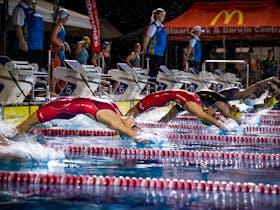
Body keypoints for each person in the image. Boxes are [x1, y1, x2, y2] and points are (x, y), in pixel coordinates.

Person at [12, 97, 145, 143]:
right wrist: (141, 132)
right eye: (136, 125)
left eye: (134, 125)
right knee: (23, 128)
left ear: (124, 127)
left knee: (22, 128)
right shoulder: (118, 114)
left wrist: (142, 139)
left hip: (60, 107)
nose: (135, 122)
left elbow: (133, 135)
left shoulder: (114, 122)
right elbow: (133, 132)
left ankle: (7, 140)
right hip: (66, 107)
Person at [125, 89, 227, 129]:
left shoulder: (197, 110)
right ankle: (130, 127)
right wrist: (221, 121)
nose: (214, 112)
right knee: (133, 114)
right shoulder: (200, 105)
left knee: (131, 113)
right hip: (163, 98)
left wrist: (220, 124)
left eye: (213, 115)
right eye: (215, 114)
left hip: (159, 98)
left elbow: (203, 116)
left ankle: (125, 128)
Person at [12, 0, 44, 67]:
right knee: (25, 70)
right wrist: (23, 43)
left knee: (34, 70)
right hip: (26, 47)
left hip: (36, 47)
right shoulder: (20, 9)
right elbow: (17, 27)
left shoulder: (31, 10)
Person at [143, 8, 167, 91]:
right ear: (157, 16)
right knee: (153, 71)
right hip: (154, 52)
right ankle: (150, 89)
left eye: (164, 15)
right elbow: (147, 38)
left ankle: (152, 87)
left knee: (156, 71)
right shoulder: (154, 26)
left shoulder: (162, 26)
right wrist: (145, 50)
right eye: (162, 15)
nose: (164, 17)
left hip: (160, 52)